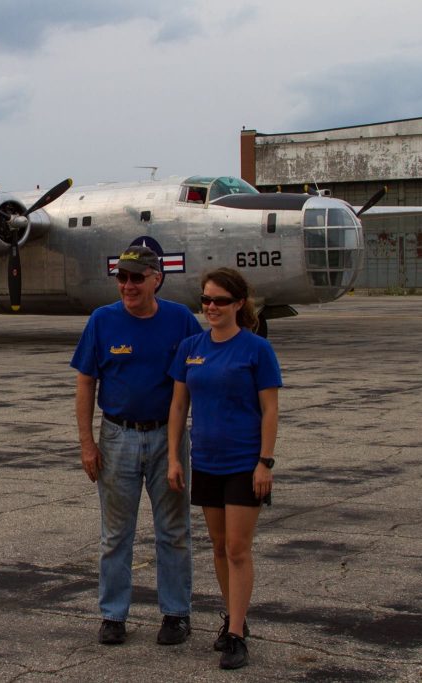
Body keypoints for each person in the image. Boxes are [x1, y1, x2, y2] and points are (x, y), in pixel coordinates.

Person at [71, 245, 204, 646]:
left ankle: (176, 614)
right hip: (117, 437)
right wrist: (87, 443)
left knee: (174, 530)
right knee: (115, 534)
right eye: (122, 278)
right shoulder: (102, 321)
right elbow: (85, 382)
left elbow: (204, 368)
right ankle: (113, 616)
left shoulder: (181, 320)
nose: (127, 286)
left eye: (136, 278)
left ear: (156, 279)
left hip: (169, 437)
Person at [166, 267, 281, 669]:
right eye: (206, 300)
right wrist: (174, 457)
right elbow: (179, 406)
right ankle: (235, 619)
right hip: (207, 461)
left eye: (219, 301)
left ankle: (235, 635)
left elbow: (270, 410)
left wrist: (265, 462)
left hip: (244, 463)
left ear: (238, 304)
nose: (211, 307)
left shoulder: (256, 349)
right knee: (217, 547)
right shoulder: (191, 347)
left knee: (237, 549)